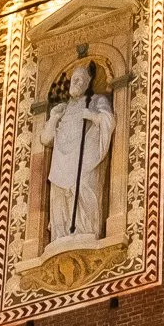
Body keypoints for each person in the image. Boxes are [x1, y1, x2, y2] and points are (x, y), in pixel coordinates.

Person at [40, 58, 114, 246]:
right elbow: (46, 139)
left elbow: (108, 121)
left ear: (88, 84)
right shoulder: (62, 109)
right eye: (74, 79)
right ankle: (61, 234)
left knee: (83, 187)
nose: (76, 83)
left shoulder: (97, 100)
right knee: (60, 197)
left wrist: (93, 116)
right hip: (61, 162)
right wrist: (54, 118)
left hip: (85, 157)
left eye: (80, 80)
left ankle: (86, 229)